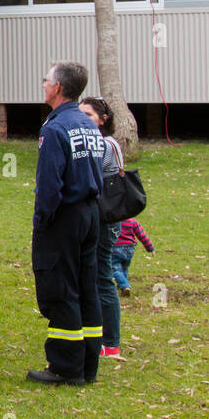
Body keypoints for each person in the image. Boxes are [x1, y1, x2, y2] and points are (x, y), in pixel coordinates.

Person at [30, 63, 104, 386]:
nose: (43, 83)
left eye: (46, 79)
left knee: (61, 287)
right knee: (88, 287)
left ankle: (65, 367)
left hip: (64, 217)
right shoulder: (89, 126)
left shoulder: (55, 129)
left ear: (57, 87)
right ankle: (88, 365)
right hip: (90, 215)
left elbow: (49, 186)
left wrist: (42, 222)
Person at [80, 97, 123, 359]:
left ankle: (110, 342)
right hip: (92, 217)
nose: (83, 120)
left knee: (103, 277)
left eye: (89, 115)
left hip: (105, 219)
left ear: (102, 119)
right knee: (94, 276)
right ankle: (96, 334)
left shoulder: (105, 144)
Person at [113, 217, 154, 298]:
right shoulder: (132, 221)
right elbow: (142, 235)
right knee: (124, 268)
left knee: (115, 269)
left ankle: (124, 285)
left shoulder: (113, 220)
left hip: (116, 248)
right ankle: (122, 286)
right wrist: (150, 248)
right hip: (130, 249)